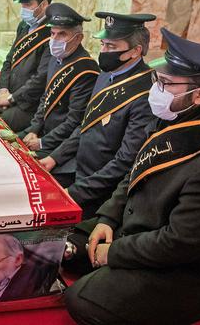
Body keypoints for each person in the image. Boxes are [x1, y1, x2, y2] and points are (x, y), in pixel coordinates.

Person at [63, 28, 200, 325]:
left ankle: (197, 303)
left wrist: (112, 252)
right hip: (138, 230)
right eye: (157, 79)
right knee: (62, 244)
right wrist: (107, 219)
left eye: (165, 83)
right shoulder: (177, 116)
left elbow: (180, 243)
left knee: (81, 301)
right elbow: (134, 174)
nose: (156, 90)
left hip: (180, 267)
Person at [40, 12, 157, 219]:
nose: (103, 52)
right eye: (103, 44)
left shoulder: (145, 93)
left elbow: (125, 161)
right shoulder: (106, 75)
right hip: (78, 169)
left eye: (111, 47)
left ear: (135, 51)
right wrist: (55, 157)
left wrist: (74, 193)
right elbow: (85, 125)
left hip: (102, 190)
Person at [20, 3, 100, 187]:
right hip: (43, 134)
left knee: (25, 177)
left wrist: (42, 142)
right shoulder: (58, 59)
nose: (54, 39)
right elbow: (45, 99)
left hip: (61, 146)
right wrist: (33, 129)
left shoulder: (85, 70)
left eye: (62, 34)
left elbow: (74, 121)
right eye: (52, 33)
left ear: (78, 37)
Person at [0, 0, 54, 132]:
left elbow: (41, 78)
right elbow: (9, 60)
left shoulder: (52, 33)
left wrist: (11, 98)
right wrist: (3, 90)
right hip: (7, 92)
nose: (23, 10)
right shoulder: (24, 26)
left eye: (28, 5)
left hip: (27, 103)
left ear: (43, 5)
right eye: (22, 5)